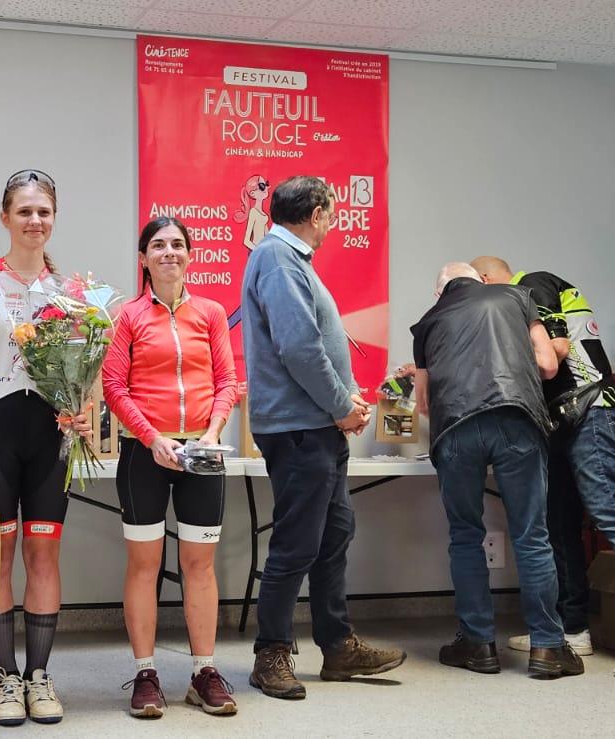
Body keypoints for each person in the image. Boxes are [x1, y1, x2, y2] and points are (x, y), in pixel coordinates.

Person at [471, 256, 615, 677]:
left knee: (608, 509)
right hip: (562, 418)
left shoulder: (532, 285)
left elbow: (556, 352)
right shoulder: (522, 297)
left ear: (485, 280)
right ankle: (572, 628)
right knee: (559, 521)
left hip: (592, 409)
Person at [240, 175, 404, 700]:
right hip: (301, 429)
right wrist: (341, 405)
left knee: (334, 535)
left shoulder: (291, 262)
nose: (333, 222)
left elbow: (313, 347)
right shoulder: (278, 259)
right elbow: (300, 348)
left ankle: (338, 647)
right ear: (315, 214)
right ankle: (272, 656)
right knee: (296, 544)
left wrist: (345, 401)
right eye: (330, 213)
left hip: (317, 426)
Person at [0, 169, 89, 727]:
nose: (35, 221)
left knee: (44, 554)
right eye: (24, 211)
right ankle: (5, 677)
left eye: (44, 212)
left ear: (55, 219)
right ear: (4, 217)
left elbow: (86, 372)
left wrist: (82, 409)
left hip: (51, 437)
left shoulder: (74, 293)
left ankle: (39, 677)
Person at [411, 262, 581, 680]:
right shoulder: (518, 297)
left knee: (466, 536)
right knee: (532, 534)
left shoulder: (427, 323)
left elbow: (424, 404)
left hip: (455, 430)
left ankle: (478, 645)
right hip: (516, 418)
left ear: (440, 293)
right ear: (479, 280)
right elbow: (547, 366)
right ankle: (547, 648)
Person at [102, 216, 240, 719]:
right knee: (144, 564)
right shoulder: (128, 316)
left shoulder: (210, 312)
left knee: (199, 564)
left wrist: (211, 433)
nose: (169, 252)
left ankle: (204, 672)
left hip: (202, 453)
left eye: (178, 244)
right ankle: (146, 673)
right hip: (145, 454)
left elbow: (227, 380)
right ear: (144, 258)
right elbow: (114, 386)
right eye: (158, 245)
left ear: (189, 254)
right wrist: (153, 438)